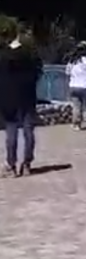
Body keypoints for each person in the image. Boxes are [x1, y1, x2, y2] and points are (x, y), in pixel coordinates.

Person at [1, 27, 42, 177]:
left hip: (8, 99)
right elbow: (38, 74)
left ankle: (11, 165)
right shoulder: (30, 55)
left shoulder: (3, 56)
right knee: (28, 131)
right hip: (27, 97)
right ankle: (27, 164)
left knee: (11, 132)